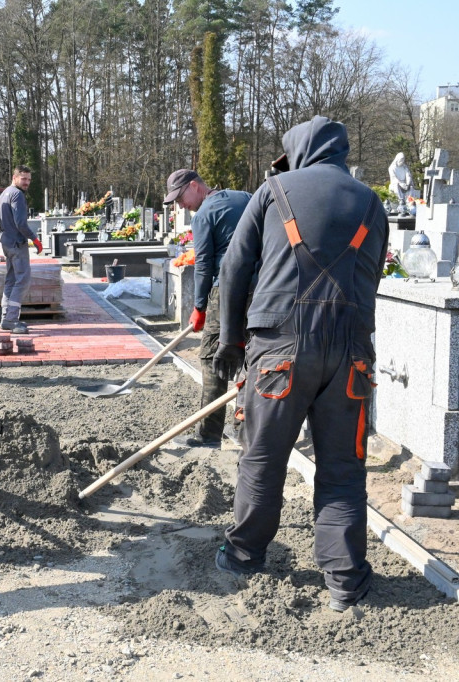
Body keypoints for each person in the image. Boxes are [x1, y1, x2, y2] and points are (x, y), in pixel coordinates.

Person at [213, 115, 389, 612]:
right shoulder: (372, 202)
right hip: (351, 353)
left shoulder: (274, 190)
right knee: (342, 469)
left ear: (297, 150)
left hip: (281, 349)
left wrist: (231, 338)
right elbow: (370, 275)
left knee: (264, 458)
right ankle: (345, 583)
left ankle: (245, 556)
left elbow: (234, 267)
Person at [163, 169, 251, 448]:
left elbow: (203, 264)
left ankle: (209, 435)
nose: (180, 205)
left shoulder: (203, 216)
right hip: (263, 288)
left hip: (226, 289)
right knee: (253, 356)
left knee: (214, 358)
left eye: (180, 198)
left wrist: (199, 306)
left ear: (194, 186)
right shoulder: (246, 197)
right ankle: (244, 431)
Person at [0, 165, 42, 334]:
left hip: (7, 242)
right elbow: (21, 223)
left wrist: (8, 232)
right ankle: (11, 319)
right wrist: (34, 238)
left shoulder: (5, 193)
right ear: (14, 177)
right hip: (17, 243)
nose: (27, 182)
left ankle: (5, 319)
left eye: (29, 179)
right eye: (23, 179)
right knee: (22, 280)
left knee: (11, 280)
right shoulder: (17, 195)